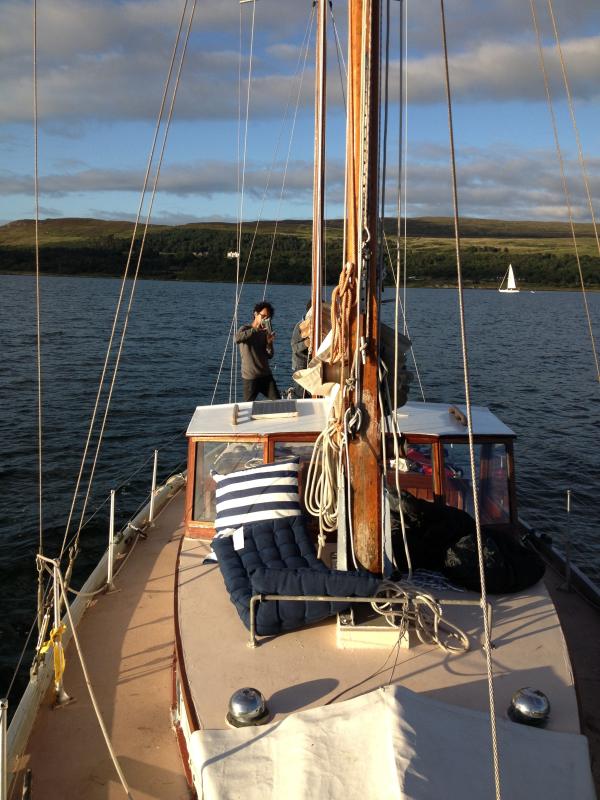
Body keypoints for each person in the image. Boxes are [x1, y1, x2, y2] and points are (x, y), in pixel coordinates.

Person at [235, 301, 280, 402]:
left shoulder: (265, 333)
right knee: (248, 407)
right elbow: (237, 339)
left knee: (278, 403)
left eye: (267, 318)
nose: (265, 319)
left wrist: (269, 343)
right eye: (263, 316)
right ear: (255, 314)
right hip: (250, 378)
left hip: (266, 376)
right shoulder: (245, 329)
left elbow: (269, 355)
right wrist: (255, 329)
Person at [290, 302, 311, 398]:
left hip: (311, 364)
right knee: (301, 393)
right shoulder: (299, 326)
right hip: (300, 365)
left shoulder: (319, 325)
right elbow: (294, 347)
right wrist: (305, 344)